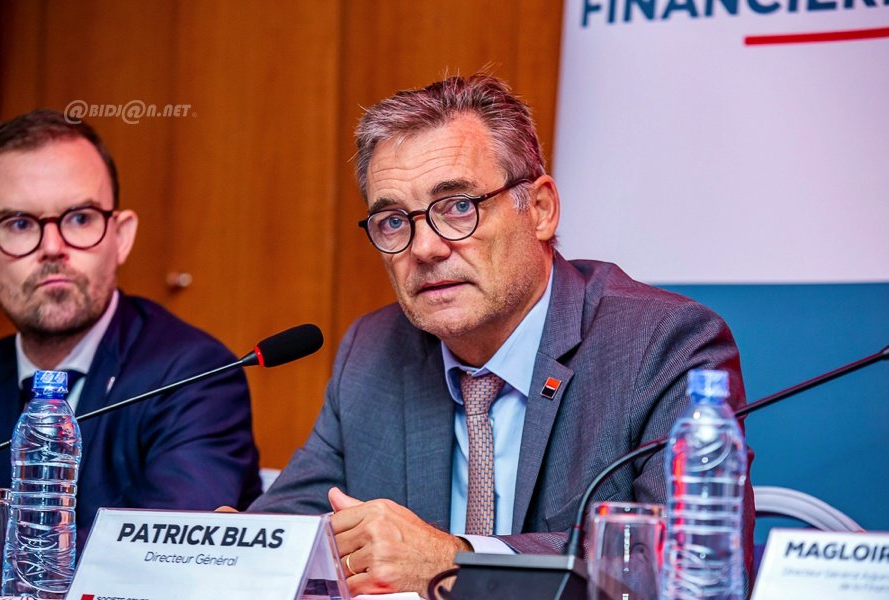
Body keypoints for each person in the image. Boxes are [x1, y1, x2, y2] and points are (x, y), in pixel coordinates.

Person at [249, 74, 755, 596]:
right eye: (394, 220)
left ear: (539, 210)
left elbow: (685, 563)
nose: (424, 248)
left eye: (458, 206)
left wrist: (456, 562)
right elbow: (286, 530)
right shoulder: (373, 350)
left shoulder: (661, 343)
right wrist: (235, 547)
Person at [0, 109, 262, 551]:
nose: (52, 248)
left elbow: (163, 554)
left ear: (121, 237)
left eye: (80, 218)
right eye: (19, 224)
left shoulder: (195, 375)